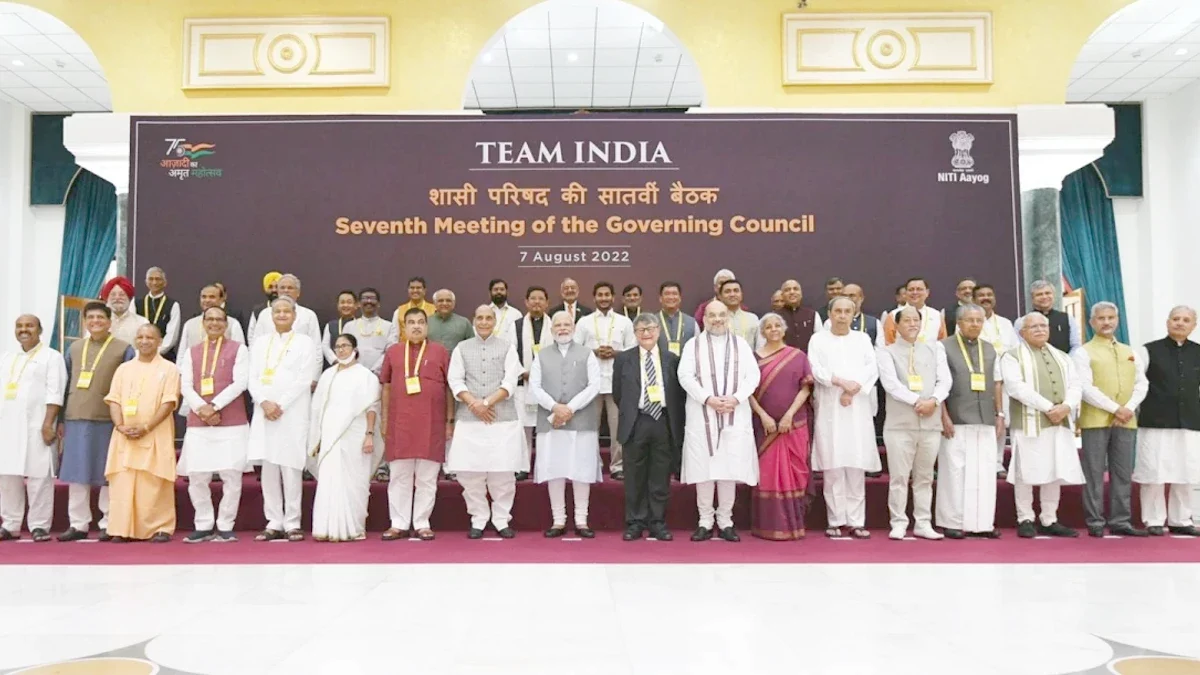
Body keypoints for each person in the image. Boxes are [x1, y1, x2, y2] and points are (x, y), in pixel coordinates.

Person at [679, 301, 761, 542]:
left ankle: (725, 521)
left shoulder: (742, 345)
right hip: (702, 413)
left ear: (728, 318)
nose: (717, 319)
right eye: (712, 315)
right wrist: (708, 399)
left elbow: (753, 376)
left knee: (729, 469)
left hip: (734, 414)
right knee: (703, 469)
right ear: (704, 318)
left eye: (721, 315)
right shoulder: (693, 345)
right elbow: (684, 375)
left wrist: (736, 398)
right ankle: (704, 521)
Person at [1001, 312, 1083, 538]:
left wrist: (1066, 406)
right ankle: (1025, 517)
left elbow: (1077, 385)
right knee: (1024, 471)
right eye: (1033, 326)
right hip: (1030, 422)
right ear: (1021, 332)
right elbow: (1016, 387)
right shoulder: (1012, 356)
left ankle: (1049, 518)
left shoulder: (1063, 357)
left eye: (1043, 326)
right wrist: (1049, 407)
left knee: (1054, 469)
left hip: (1059, 421)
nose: (1039, 330)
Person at [446, 305, 526, 538]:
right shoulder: (462, 348)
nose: (483, 322)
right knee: (470, 474)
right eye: (479, 317)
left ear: (494, 321)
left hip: (502, 420)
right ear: (473, 320)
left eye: (488, 318)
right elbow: (455, 380)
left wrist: (487, 403)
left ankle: (501, 519)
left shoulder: (507, 347)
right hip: (469, 420)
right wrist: (474, 404)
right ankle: (478, 518)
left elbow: (511, 381)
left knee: (503, 473)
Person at [57, 302, 135, 542]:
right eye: (90, 318)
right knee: (77, 473)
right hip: (76, 418)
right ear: (85, 321)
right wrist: (60, 419)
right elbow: (64, 384)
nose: (95, 322)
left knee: (107, 474)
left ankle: (108, 522)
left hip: (108, 420)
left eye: (100, 317)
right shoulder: (73, 348)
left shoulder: (124, 349)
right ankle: (78, 524)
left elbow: (129, 386)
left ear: (109, 322)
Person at [1073, 302, 1149, 538]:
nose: (1106, 322)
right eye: (1101, 318)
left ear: (1117, 320)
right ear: (1092, 322)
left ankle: (1120, 520)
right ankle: (1095, 521)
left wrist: (1128, 408)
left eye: (1110, 318)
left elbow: (1141, 383)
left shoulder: (1130, 351)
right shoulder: (1083, 352)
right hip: (1095, 420)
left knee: (1123, 472)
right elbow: (1085, 387)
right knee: (1094, 473)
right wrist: (1116, 408)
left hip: (1126, 420)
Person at [877, 306, 951, 540]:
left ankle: (923, 522)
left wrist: (934, 401)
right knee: (899, 477)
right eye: (906, 320)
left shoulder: (934, 347)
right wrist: (918, 401)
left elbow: (945, 380)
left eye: (916, 320)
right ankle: (898, 521)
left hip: (930, 423)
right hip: (900, 425)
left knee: (925, 477)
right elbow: (891, 384)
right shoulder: (886, 351)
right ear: (896, 326)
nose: (912, 324)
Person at [808, 296, 880, 539]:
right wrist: (839, 382)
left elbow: (872, 368)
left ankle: (857, 521)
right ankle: (836, 520)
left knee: (856, 465)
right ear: (829, 313)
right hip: (830, 407)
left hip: (857, 407)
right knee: (834, 466)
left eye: (846, 311)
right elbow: (816, 369)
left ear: (853, 314)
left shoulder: (862, 339)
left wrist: (853, 389)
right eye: (837, 311)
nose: (841, 315)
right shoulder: (818, 339)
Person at [102, 323, 181, 542]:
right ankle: (122, 529)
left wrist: (147, 427)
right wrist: (119, 425)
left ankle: (160, 527)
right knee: (124, 483)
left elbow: (168, 402)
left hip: (155, 433)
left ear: (159, 342)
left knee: (153, 482)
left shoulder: (169, 369)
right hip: (124, 435)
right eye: (140, 337)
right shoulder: (124, 368)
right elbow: (114, 399)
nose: (144, 341)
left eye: (150, 337)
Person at [248, 296, 318, 542]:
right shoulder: (259, 344)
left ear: (295, 315)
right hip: (265, 412)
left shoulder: (305, 343)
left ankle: (292, 522)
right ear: (270, 315)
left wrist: (281, 404)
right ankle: (273, 521)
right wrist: (264, 403)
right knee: (269, 469)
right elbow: (252, 378)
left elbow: (304, 378)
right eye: (277, 311)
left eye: (286, 311)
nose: (281, 315)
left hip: (292, 413)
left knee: (290, 468)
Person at [177, 306, 250, 543]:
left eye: (220, 320)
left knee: (231, 475)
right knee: (197, 475)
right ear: (203, 323)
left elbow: (241, 383)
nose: (215, 323)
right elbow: (185, 385)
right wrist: (203, 409)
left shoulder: (239, 349)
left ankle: (226, 524)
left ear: (226, 324)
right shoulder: (192, 351)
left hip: (231, 421)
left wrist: (215, 406)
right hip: (199, 422)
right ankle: (204, 523)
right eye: (210, 319)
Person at [380, 308, 452, 541]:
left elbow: (450, 390)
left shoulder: (440, 352)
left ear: (427, 326)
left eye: (421, 322)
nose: (416, 326)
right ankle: (398, 523)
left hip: (432, 424)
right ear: (404, 327)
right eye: (411, 322)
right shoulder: (393, 352)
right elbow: (386, 387)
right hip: (399, 423)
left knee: (427, 478)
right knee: (399, 476)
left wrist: (450, 421)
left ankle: (422, 522)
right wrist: (384, 420)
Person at [529, 311, 602, 537]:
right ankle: (558, 521)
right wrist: (555, 407)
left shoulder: (587, 353)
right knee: (555, 469)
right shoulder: (541, 355)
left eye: (566, 324)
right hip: (551, 422)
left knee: (582, 470)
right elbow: (535, 386)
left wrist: (570, 408)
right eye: (558, 325)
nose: (562, 328)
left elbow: (594, 385)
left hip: (581, 420)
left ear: (573, 327)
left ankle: (581, 521)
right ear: (552, 330)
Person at [613, 313, 685, 541]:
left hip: (663, 421)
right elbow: (618, 394)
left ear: (658, 331)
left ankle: (657, 522)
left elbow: (678, 394)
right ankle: (635, 522)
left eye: (651, 328)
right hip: (637, 421)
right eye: (641, 330)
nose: (646, 333)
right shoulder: (624, 359)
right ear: (634, 334)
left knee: (660, 475)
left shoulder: (671, 359)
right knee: (634, 476)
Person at [935, 304, 1004, 539]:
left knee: (984, 472)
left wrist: (1000, 414)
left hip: (985, 419)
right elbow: (938, 384)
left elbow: (996, 383)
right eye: (970, 320)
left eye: (979, 320)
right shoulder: (943, 347)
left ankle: (982, 523)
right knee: (953, 472)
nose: (975, 324)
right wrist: (943, 416)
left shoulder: (990, 349)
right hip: (956, 419)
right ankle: (951, 522)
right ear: (959, 323)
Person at [1134, 305, 1200, 537]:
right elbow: (1138, 384)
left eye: (1186, 320)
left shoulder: (1198, 351)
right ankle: (1153, 520)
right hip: (1155, 422)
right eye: (1176, 319)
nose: (1180, 323)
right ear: (1167, 322)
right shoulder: (1148, 350)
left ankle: (1181, 519)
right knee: (1154, 471)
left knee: (1186, 472)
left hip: (1190, 422)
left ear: (1194, 325)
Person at [0, 315, 66, 542]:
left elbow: (55, 392)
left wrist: (49, 423)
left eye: (29, 325)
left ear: (40, 330)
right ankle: (10, 524)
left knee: (39, 476)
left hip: (38, 425)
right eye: (19, 326)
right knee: (7, 476)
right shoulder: (8, 357)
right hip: (8, 426)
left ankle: (39, 525)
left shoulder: (52, 357)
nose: (23, 330)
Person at [309, 334, 380, 542]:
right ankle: (326, 528)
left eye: (345, 346)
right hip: (330, 436)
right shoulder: (327, 375)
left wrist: (369, 435)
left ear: (355, 349)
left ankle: (353, 527)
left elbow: (372, 408)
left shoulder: (366, 376)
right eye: (337, 346)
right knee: (330, 480)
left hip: (356, 435)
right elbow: (317, 409)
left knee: (355, 482)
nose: (341, 350)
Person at [748, 313, 812, 541]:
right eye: (768, 327)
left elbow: (805, 388)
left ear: (784, 330)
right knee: (767, 475)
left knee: (793, 474)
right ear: (762, 332)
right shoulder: (752, 358)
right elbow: (748, 392)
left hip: (792, 424)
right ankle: (768, 526)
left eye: (777, 325)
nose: (773, 329)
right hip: (764, 427)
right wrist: (764, 416)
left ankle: (793, 526)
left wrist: (788, 416)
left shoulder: (797, 356)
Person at [574, 281, 636, 479]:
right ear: (594, 298)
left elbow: (634, 350)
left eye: (607, 295)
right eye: (600, 295)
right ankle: (593, 465)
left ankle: (617, 466)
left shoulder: (624, 322)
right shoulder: (584, 322)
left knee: (618, 427)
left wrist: (616, 353)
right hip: (591, 383)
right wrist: (594, 352)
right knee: (590, 428)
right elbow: (574, 350)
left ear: (613, 297)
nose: (603, 298)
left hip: (616, 383)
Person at [514, 286, 554, 479]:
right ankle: (523, 467)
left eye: (541, 299)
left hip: (549, 385)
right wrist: (523, 372)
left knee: (547, 428)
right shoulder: (516, 325)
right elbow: (510, 354)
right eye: (533, 299)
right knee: (524, 428)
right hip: (524, 383)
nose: (536, 302)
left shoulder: (554, 324)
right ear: (526, 302)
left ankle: (545, 466)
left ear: (547, 303)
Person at [248, 275, 322, 370]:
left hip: (300, 370)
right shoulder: (265, 314)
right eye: (282, 288)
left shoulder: (309, 315)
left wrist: (314, 377)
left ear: (298, 293)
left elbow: (316, 348)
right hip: (268, 370)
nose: (286, 291)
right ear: (278, 291)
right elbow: (255, 345)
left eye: (290, 288)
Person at [178, 284, 246, 357]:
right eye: (204, 297)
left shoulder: (233, 323)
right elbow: (181, 355)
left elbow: (240, 353)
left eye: (212, 297)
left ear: (221, 300)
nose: (207, 300)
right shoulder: (189, 324)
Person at [1014, 280, 1081, 353]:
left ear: (1053, 295)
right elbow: (1019, 347)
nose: (1044, 297)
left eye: (1047, 293)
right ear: (1032, 298)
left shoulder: (1067, 319)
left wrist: (1066, 362)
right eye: (1039, 294)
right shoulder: (1022, 322)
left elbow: (1075, 346)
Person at [882, 277, 946, 345]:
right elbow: (888, 343)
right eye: (911, 290)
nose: (915, 292)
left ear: (927, 292)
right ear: (906, 293)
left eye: (919, 289)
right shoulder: (893, 315)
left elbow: (942, 344)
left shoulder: (936, 315)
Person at [342, 288, 391, 376]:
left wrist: (373, 371)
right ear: (359, 304)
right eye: (365, 298)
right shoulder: (349, 326)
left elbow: (389, 352)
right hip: (353, 374)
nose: (369, 301)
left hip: (379, 376)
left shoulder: (389, 326)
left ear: (379, 304)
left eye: (372, 298)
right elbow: (345, 351)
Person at [139, 267, 181, 357]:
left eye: (158, 279)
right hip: (140, 354)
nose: (154, 282)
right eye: (151, 279)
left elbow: (172, 335)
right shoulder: (136, 303)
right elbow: (134, 330)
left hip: (164, 355)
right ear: (146, 282)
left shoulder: (173, 305)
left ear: (165, 282)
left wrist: (157, 351)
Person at [387, 276, 436, 344]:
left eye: (418, 288)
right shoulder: (399, 311)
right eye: (412, 288)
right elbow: (394, 336)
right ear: (408, 290)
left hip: (428, 349)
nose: (415, 290)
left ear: (424, 291)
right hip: (405, 350)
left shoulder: (434, 310)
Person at [777, 279, 822, 352]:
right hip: (784, 361)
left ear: (801, 294)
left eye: (795, 289)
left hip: (808, 360)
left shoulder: (813, 315)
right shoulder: (774, 317)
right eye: (787, 290)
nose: (792, 292)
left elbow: (820, 341)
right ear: (782, 295)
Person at [973, 284, 1018, 354]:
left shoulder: (1005, 323)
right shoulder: (966, 323)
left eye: (989, 295)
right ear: (973, 300)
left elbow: (1016, 349)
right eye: (981, 295)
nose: (986, 298)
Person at [427, 289, 475, 353]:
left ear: (453, 303)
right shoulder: (426, 322)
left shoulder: (464, 323)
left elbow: (472, 347)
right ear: (434, 303)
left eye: (448, 300)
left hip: (457, 362)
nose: (444, 303)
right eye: (440, 301)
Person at [657, 281, 697, 357]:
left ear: (680, 298)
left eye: (674, 294)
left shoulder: (692, 323)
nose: (671, 297)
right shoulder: (652, 322)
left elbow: (698, 349)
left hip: (686, 366)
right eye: (667, 294)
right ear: (660, 298)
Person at [102, 276, 146, 345]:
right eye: (113, 295)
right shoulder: (98, 322)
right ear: (107, 299)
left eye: (122, 295)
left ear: (130, 298)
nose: (117, 298)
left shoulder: (142, 323)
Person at [717, 279, 759, 347]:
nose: (732, 294)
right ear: (720, 297)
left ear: (741, 295)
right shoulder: (715, 320)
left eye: (736, 291)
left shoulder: (753, 319)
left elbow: (759, 347)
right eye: (727, 291)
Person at [322, 290, 359, 366]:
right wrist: (335, 361)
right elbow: (325, 346)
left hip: (355, 365)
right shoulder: (331, 325)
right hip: (335, 366)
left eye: (349, 302)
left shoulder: (360, 325)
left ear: (356, 305)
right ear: (338, 305)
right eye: (342, 302)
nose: (345, 305)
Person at [245, 270, 281, 338]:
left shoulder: (290, 309)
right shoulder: (258, 311)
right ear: (265, 289)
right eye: (270, 287)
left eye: (277, 287)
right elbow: (251, 336)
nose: (274, 290)